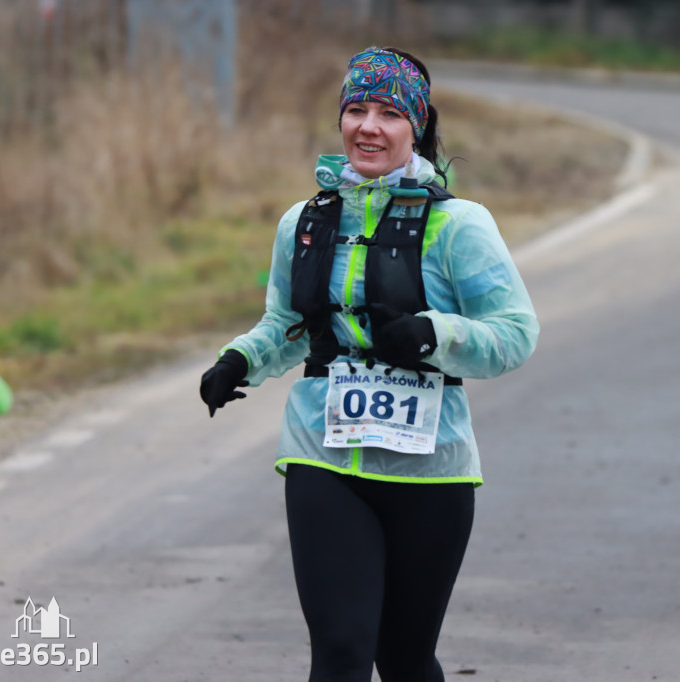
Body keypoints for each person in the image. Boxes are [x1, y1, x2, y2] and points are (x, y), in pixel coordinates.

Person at [200, 46, 538, 682]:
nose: (369, 127)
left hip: (431, 467)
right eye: (356, 110)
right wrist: (239, 360)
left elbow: (515, 333)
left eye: (388, 112)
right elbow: (289, 323)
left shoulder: (460, 225)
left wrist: (431, 334)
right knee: (341, 649)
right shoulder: (302, 222)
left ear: (417, 126)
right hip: (323, 455)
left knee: (405, 659)